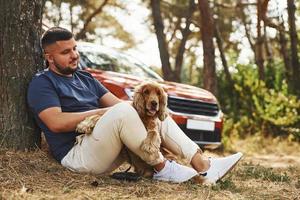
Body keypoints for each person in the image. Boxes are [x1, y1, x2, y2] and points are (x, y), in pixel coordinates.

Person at [27, 27, 242, 184]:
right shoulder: (42, 83)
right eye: (66, 52)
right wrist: (104, 112)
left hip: (105, 149)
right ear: (49, 58)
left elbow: (123, 106)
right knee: (122, 111)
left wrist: (147, 109)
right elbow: (55, 123)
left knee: (154, 112)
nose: (74, 55)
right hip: (78, 155)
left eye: (75, 48)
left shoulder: (85, 78)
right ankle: (162, 168)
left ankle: (204, 165)